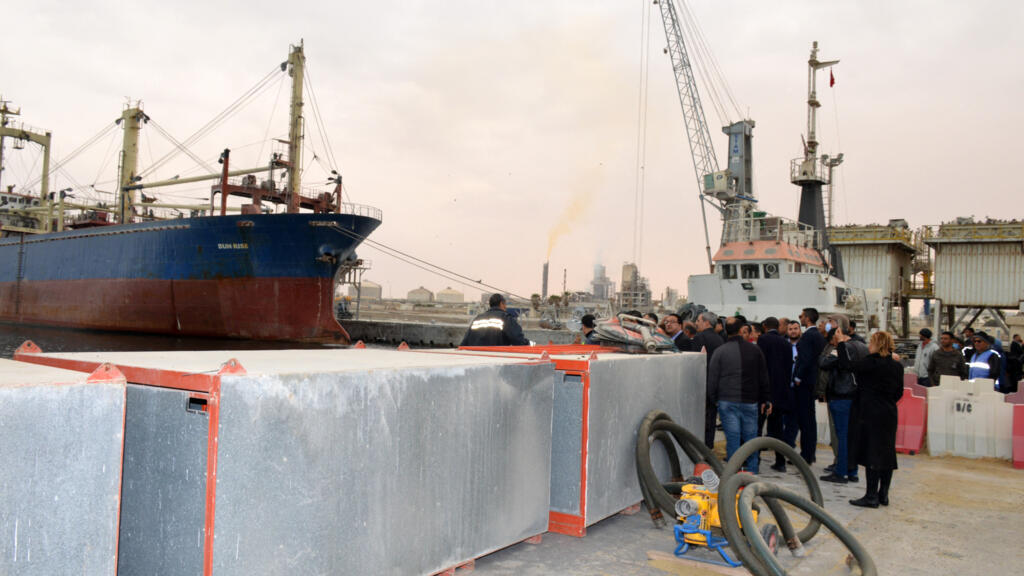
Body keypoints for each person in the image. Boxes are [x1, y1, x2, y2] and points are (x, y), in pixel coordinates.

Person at [848, 331, 904, 508]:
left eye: (871, 342)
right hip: (889, 412)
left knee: (871, 453)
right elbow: (899, 392)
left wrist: (841, 344)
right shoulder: (897, 366)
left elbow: (847, 366)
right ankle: (883, 494)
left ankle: (871, 495)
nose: (868, 346)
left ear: (877, 344)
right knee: (887, 453)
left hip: (870, 412)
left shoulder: (870, 363)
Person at [708, 316, 771, 473]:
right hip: (750, 401)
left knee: (733, 439)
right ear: (741, 329)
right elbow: (763, 376)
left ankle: (733, 474)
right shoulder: (755, 350)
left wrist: (713, 399)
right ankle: (752, 472)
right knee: (751, 439)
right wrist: (766, 399)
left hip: (727, 400)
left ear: (726, 330)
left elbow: (713, 378)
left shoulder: (720, 351)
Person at [820, 320, 869, 484]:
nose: (831, 343)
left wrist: (831, 350)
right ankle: (852, 471)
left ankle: (841, 472)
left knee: (842, 436)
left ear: (838, 334)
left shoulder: (842, 348)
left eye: (832, 340)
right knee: (852, 436)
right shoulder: (862, 346)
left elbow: (824, 363)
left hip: (841, 396)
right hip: (856, 396)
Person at [757, 317, 794, 472]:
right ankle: (780, 462)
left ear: (764, 326)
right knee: (778, 430)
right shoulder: (786, 343)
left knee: (758, 428)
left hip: (766, 392)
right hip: (781, 392)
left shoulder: (763, 340)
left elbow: (760, 365)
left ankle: (755, 460)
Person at [792, 307, 825, 464]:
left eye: (802, 316)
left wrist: (798, 377)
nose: (800, 318)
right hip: (813, 381)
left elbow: (805, 359)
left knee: (805, 420)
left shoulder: (808, 336)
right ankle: (810, 453)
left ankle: (806, 454)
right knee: (810, 420)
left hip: (805, 382)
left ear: (808, 318)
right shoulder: (818, 335)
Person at [693, 311, 725, 449]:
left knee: (700, 418)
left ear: (706, 322)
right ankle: (709, 446)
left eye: (698, 321)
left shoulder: (699, 338)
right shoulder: (720, 339)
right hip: (716, 384)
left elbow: (696, 362)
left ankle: (700, 447)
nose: (696, 323)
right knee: (711, 418)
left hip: (702, 384)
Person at [460, 294, 530, 347]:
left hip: (477, 358)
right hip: (497, 358)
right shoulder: (506, 318)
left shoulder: (477, 319)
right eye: (505, 304)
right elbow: (519, 341)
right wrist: (530, 344)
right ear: (501, 303)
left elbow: (465, 342)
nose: (505, 307)